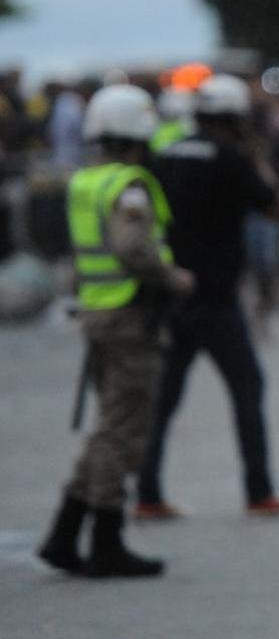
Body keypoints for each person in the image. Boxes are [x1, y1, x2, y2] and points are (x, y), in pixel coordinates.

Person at [38, 84, 195, 578]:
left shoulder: (89, 180)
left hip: (99, 313)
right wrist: (174, 278)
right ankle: (105, 540)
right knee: (121, 430)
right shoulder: (129, 185)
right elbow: (133, 248)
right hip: (130, 317)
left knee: (109, 424)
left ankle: (66, 534)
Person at [136, 74, 279, 519]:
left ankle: (147, 493)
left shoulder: (165, 154)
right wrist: (257, 155)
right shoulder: (230, 159)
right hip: (216, 298)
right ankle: (259, 490)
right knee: (248, 387)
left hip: (172, 294)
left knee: (164, 398)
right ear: (234, 119)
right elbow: (275, 208)